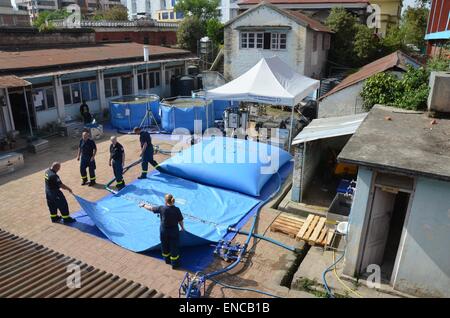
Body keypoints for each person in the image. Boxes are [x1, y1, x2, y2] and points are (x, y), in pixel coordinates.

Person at [140, 194, 185, 269]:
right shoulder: (176, 209)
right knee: (174, 246)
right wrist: (183, 228)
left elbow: (151, 208)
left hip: (164, 230)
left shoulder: (162, 208)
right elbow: (180, 220)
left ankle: (167, 260)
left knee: (164, 245)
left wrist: (143, 205)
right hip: (173, 231)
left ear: (165, 201)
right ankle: (175, 264)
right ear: (173, 201)